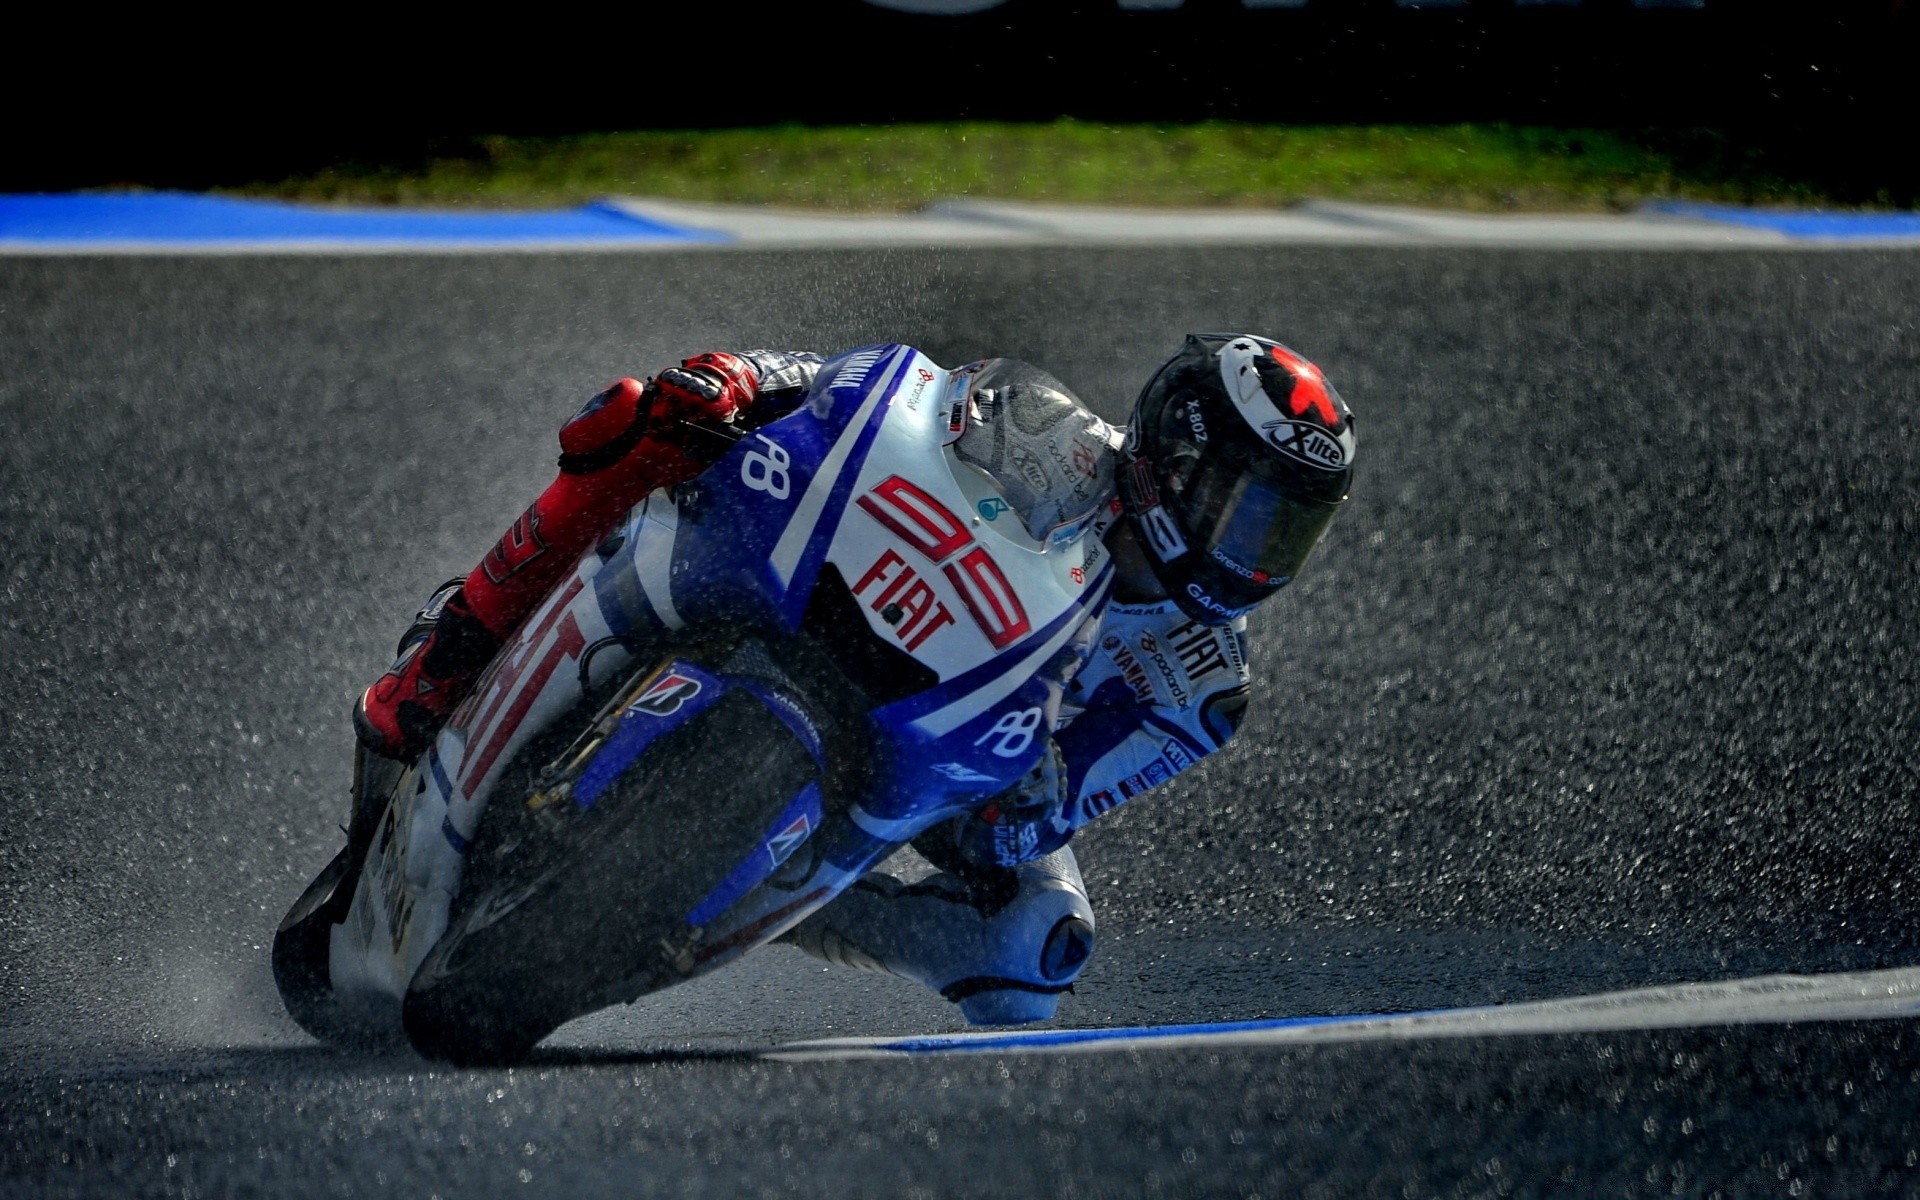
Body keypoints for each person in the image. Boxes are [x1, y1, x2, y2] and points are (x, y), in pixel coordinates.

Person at [354, 334, 1356, 1024]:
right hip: (843, 607)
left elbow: (1044, 817)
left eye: (1285, 531)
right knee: (642, 415)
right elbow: (881, 392)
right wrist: (747, 378)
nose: (1254, 551)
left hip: (961, 762)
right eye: (1244, 508)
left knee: (1038, 949)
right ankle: (451, 652)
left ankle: (722, 890)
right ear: (1173, 458)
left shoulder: (1198, 685)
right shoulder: (1048, 433)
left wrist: (1026, 806)